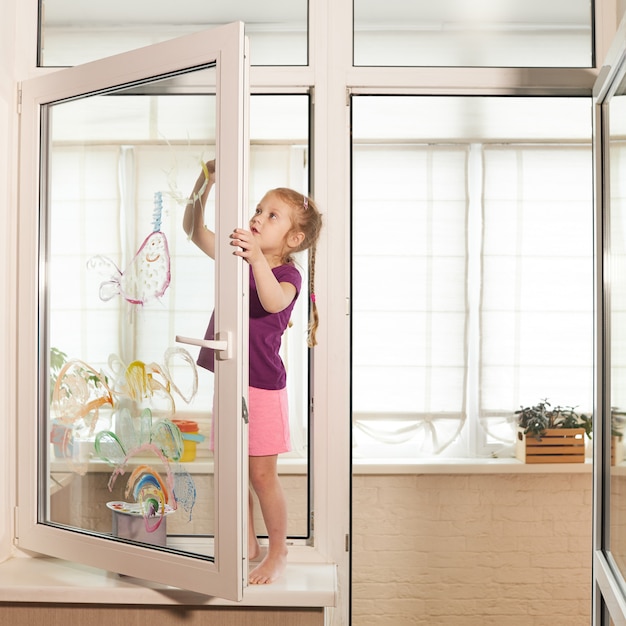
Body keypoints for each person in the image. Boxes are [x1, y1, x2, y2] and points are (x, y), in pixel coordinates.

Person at [183, 160, 322, 584]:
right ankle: (246, 545)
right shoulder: (240, 257)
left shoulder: (287, 273)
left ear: (294, 238)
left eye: (271, 215)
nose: (258, 218)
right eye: (258, 210)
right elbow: (192, 230)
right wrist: (204, 181)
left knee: (262, 475)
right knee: (231, 469)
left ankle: (278, 551)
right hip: (229, 382)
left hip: (262, 389)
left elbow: (274, 300)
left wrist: (254, 255)